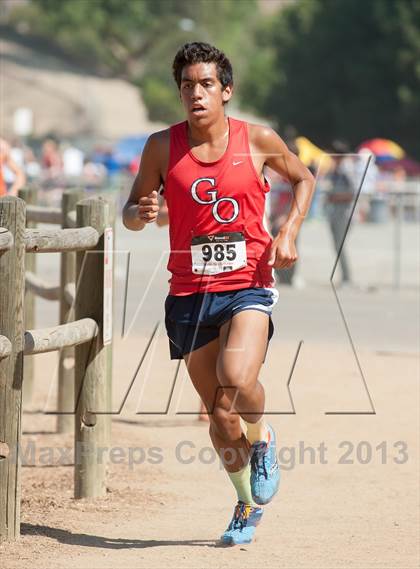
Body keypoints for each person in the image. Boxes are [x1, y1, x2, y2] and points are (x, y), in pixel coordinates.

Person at [123, 42, 314, 545]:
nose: (196, 93)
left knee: (236, 378)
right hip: (188, 293)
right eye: (187, 85)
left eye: (206, 84)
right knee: (219, 417)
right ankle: (246, 504)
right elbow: (131, 210)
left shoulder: (256, 140)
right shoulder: (161, 147)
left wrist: (289, 231)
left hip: (247, 283)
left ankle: (263, 436)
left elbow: (304, 178)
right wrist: (139, 213)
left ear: (225, 91)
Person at [325, 140, 356, 286]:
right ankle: (344, 276)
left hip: (344, 213)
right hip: (335, 212)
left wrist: (334, 197)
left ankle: (347, 278)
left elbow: (352, 193)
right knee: (337, 245)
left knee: (340, 245)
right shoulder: (335, 169)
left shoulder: (346, 169)